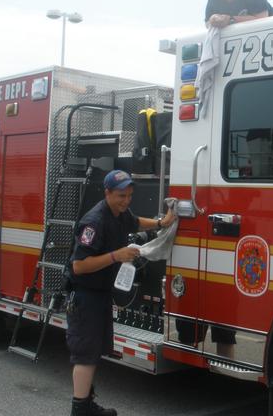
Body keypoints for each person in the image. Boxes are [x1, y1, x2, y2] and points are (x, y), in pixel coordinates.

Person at [66, 170, 175, 416]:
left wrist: (161, 223)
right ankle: (79, 411)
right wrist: (116, 255)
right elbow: (79, 265)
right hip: (85, 296)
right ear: (107, 193)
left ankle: (86, 404)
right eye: (121, 196)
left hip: (99, 294)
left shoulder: (119, 213)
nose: (126, 201)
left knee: (93, 352)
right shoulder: (94, 221)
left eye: (129, 195)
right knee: (85, 354)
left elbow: (135, 222)